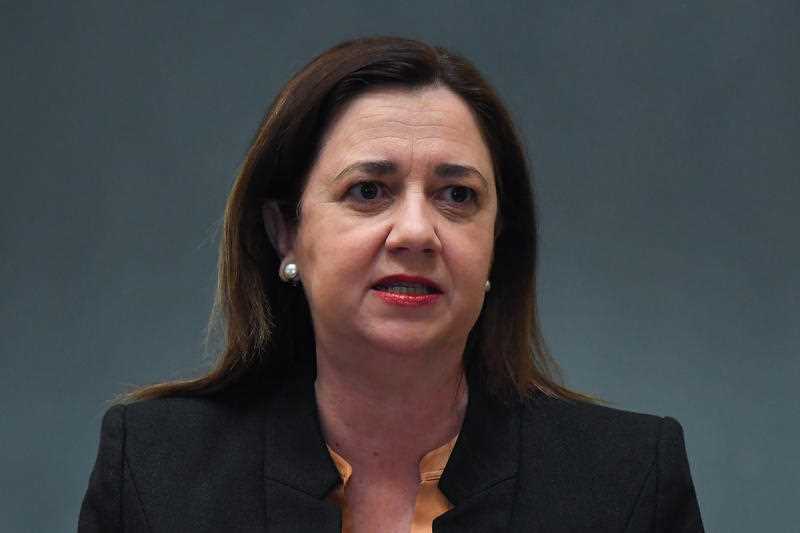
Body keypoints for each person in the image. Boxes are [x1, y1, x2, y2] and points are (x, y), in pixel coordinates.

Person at [78, 36, 704, 532]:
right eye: (368, 191)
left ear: (496, 243)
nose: (415, 233)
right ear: (285, 233)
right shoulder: (156, 471)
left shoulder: (627, 482)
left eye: (457, 196)